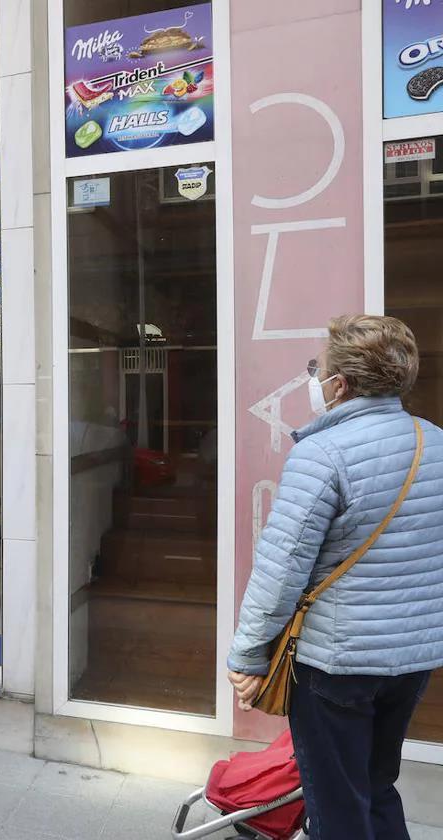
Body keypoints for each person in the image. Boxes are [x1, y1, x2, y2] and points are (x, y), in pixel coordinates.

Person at [227, 315, 443, 840]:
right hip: (412, 659)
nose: (316, 382)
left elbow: (281, 568)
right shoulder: (436, 443)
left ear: (339, 385)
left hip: (336, 664)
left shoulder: (320, 454)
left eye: (318, 372)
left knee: (336, 806)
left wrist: (248, 656)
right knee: (376, 785)